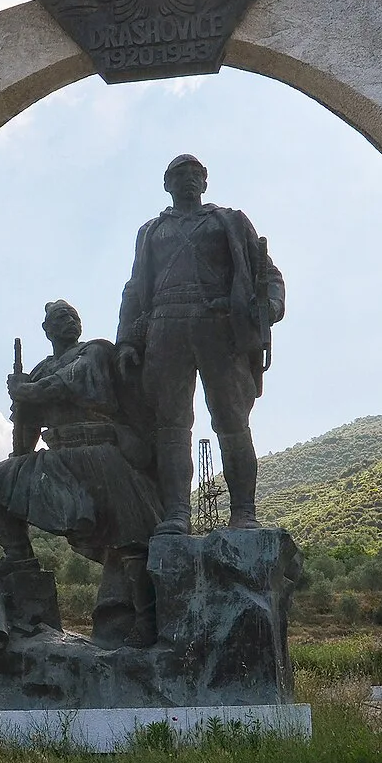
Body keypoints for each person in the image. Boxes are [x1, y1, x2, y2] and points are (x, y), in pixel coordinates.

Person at [0, 300, 162, 646]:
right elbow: (25, 432)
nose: (69, 321)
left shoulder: (95, 351)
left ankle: (146, 621)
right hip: (57, 457)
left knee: (131, 540)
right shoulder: (42, 370)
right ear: (47, 330)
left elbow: (69, 382)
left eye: (73, 315)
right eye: (60, 317)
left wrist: (26, 391)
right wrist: (21, 411)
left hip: (101, 455)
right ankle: (19, 556)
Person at [116, 154, 285, 532]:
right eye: (180, 174)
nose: (188, 180)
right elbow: (134, 289)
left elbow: (267, 272)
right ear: (166, 184)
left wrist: (269, 306)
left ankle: (243, 512)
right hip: (164, 327)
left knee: (232, 421)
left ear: (206, 182)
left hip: (220, 325)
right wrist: (126, 339)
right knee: (171, 426)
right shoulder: (150, 231)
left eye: (196, 174)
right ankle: (176, 513)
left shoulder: (229, 221)